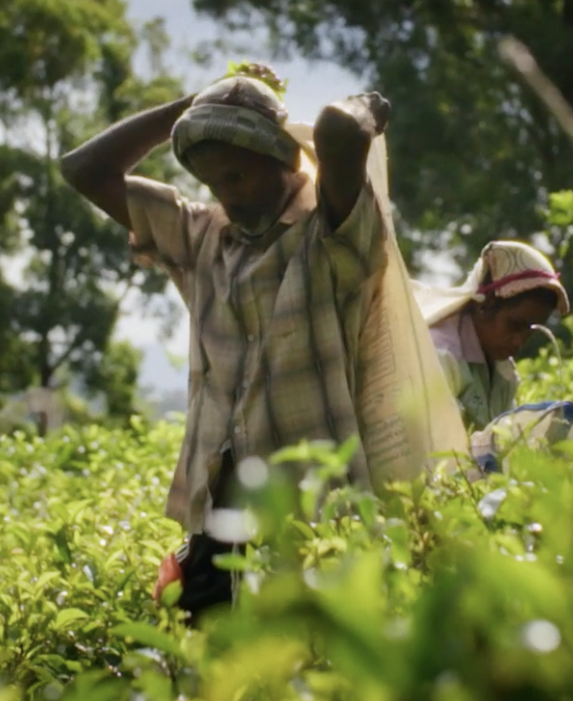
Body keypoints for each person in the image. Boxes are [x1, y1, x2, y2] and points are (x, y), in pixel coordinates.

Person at [59, 73, 411, 620]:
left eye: (237, 175)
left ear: (283, 161)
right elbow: (82, 169)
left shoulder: (334, 237)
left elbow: (340, 131)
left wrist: (363, 109)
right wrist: (195, 103)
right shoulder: (202, 236)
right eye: (211, 181)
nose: (225, 194)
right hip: (217, 525)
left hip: (312, 520)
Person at [415, 242, 573, 472]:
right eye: (515, 325)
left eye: (529, 330)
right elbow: (432, 457)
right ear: (485, 306)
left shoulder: (503, 371)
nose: (519, 341)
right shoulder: (440, 355)